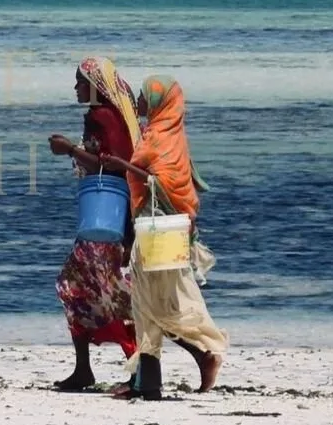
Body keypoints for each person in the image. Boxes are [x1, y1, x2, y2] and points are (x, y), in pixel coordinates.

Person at [46, 58, 145, 392]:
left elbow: (115, 166)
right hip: (111, 218)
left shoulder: (104, 116)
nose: (76, 88)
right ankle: (85, 369)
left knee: (106, 293)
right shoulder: (110, 116)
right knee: (80, 287)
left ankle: (135, 372)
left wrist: (70, 150)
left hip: (107, 219)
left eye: (80, 81)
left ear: (95, 85)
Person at [127, 74, 228, 391]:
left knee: (156, 303)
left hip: (160, 229)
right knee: (145, 301)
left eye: (144, 96)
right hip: (154, 228)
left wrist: (119, 163)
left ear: (158, 102)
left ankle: (202, 353)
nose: (139, 100)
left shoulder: (158, 138)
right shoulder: (167, 135)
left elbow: (161, 181)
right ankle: (148, 384)